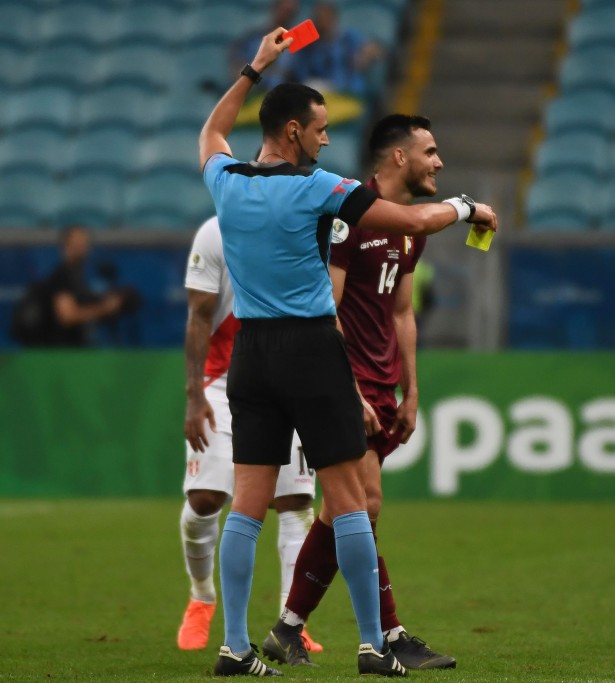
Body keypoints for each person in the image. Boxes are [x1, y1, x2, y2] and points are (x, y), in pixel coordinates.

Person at [198, 28, 497, 678]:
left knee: (246, 507)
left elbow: (211, 132)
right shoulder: (318, 188)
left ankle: (236, 645)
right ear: (294, 134)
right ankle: (371, 642)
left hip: (251, 350)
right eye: (320, 128)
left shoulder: (225, 182)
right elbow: (416, 221)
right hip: (311, 347)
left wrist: (255, 67)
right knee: (349, 500)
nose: (328, 138)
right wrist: (467, 205)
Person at [260, 114, 454, 670]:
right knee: (359, 506)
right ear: (399, 158)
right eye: (431, 151)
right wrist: (349, 390)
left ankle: (287, 628)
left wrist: (411, 390)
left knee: (347, 513)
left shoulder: (408, 228)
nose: (439, 162)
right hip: (342, 380)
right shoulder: (348, 218)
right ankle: (389, 637)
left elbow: (401, 309)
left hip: (382, 385)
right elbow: (328, 310)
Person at [178, 215, 323, 655]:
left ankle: (290, 622)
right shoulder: (215, 231)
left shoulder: (305, 221)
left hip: (292, 377)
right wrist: (194, 394)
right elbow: (200, 314)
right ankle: (201, 596)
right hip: (223, 382)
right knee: (206, 499)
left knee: (295, 501)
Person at [10, 225, 133, 347]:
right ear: (65, 247)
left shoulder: (78, 278)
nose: (80, 248)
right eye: (76, 244)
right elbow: (67, 316)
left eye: (84, 243)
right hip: (60, 353)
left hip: (76, 350)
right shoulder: (61, 276)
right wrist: (104, 308)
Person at [292, 2, 384, 124]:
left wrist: (364, 55)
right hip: (318, 90)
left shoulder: (347, 37)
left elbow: (376, 49)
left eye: (323, 17)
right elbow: (285, 48)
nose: (319, 21)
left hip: (345, 92)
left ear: (332, 17)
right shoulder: (310, 41)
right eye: (317, 17)